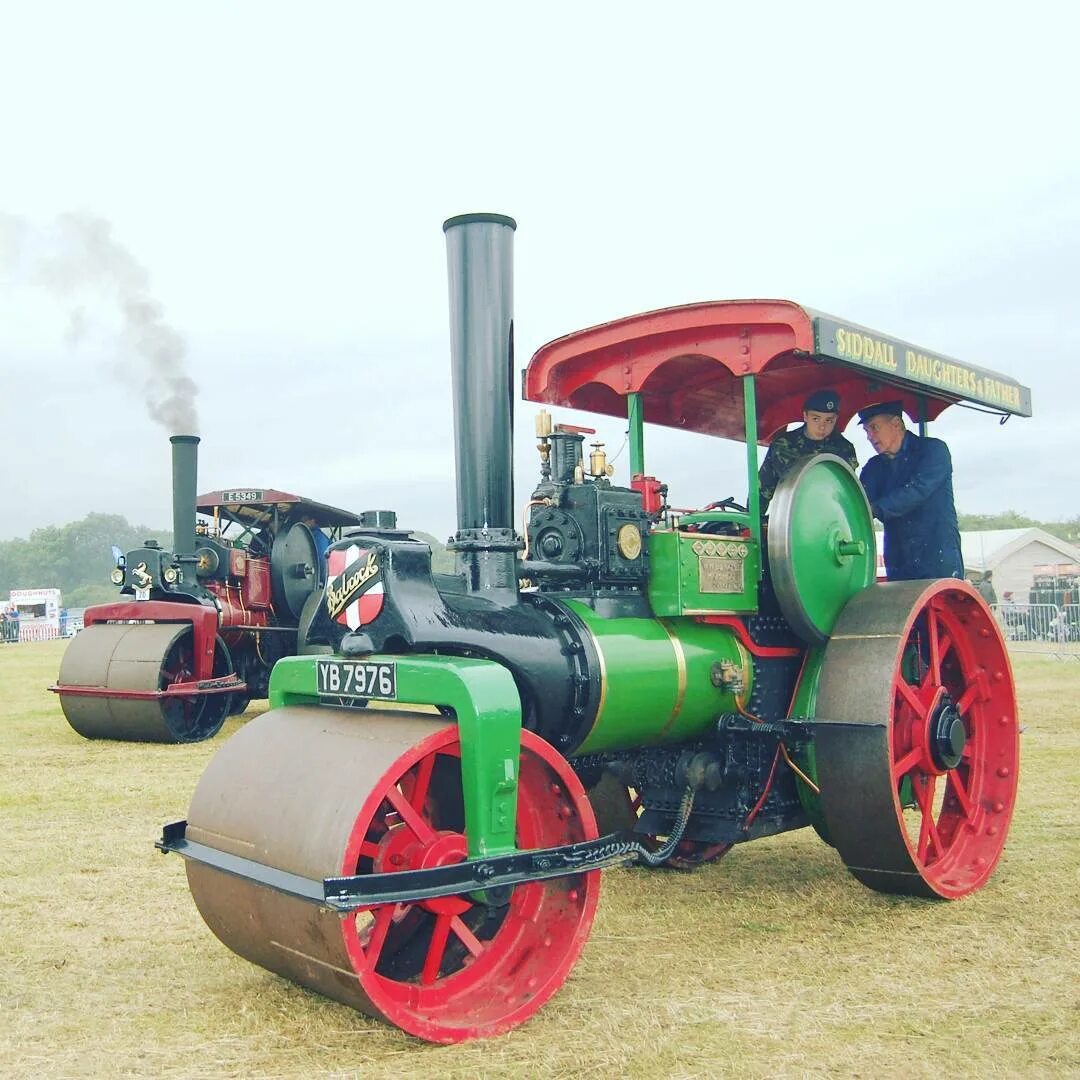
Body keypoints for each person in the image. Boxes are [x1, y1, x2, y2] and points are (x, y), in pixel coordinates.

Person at [858, 401, 963, 581]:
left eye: (874, 428)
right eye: (866, 431)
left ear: (897, 424)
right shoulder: (873, 468)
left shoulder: (933, 450)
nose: (870, 437)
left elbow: (918, 490)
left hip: (937, 556)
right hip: (899, 560)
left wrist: (876, 509)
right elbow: (859, 503)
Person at [757, 389, 859, 514]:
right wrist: (752, 522)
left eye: (829, 420)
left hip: (830, 516)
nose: (822, 426)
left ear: (836, 419)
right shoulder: (783, 445)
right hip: (791, 515)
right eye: (816, 419)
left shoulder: (844, 449)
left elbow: (847, 492)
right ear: (805, 416)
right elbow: (763, 489)